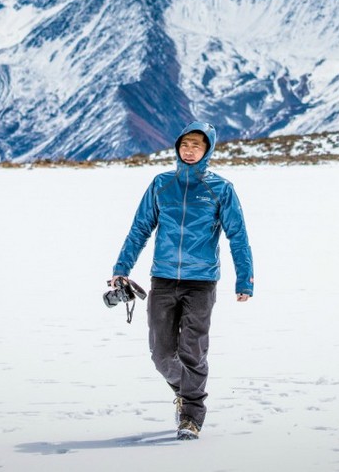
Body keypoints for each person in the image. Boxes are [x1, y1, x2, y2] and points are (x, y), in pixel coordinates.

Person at [109, 121, 254, 441]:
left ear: (207, 150)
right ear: (177, 148)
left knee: (192, 351)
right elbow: (140, 229)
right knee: (161, 354)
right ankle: (184, 392)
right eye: (185, 145)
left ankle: (191, 415)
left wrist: (245, 279)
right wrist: (122, 268)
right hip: (162, 279)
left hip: (201, 282)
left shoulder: (221, 188)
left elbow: (238, 236)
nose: (189, 151)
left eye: (196, 146)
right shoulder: (161, 184)